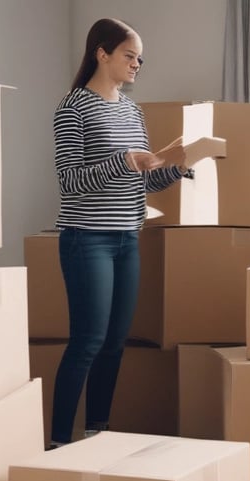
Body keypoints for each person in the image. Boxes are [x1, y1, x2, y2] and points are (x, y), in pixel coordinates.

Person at [49, 18, 189, 449]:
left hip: (128, 236)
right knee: (88, 342)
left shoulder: (132, 111)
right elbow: (70, 180)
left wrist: (176, 170)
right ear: (102, 54)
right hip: (86, 238)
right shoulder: (73, 107)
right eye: (130, 55)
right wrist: (124, 161)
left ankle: (97, 433)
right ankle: (57, 441)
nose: (137, 64)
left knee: (114, 344)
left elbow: (140, 183)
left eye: (140, 58)